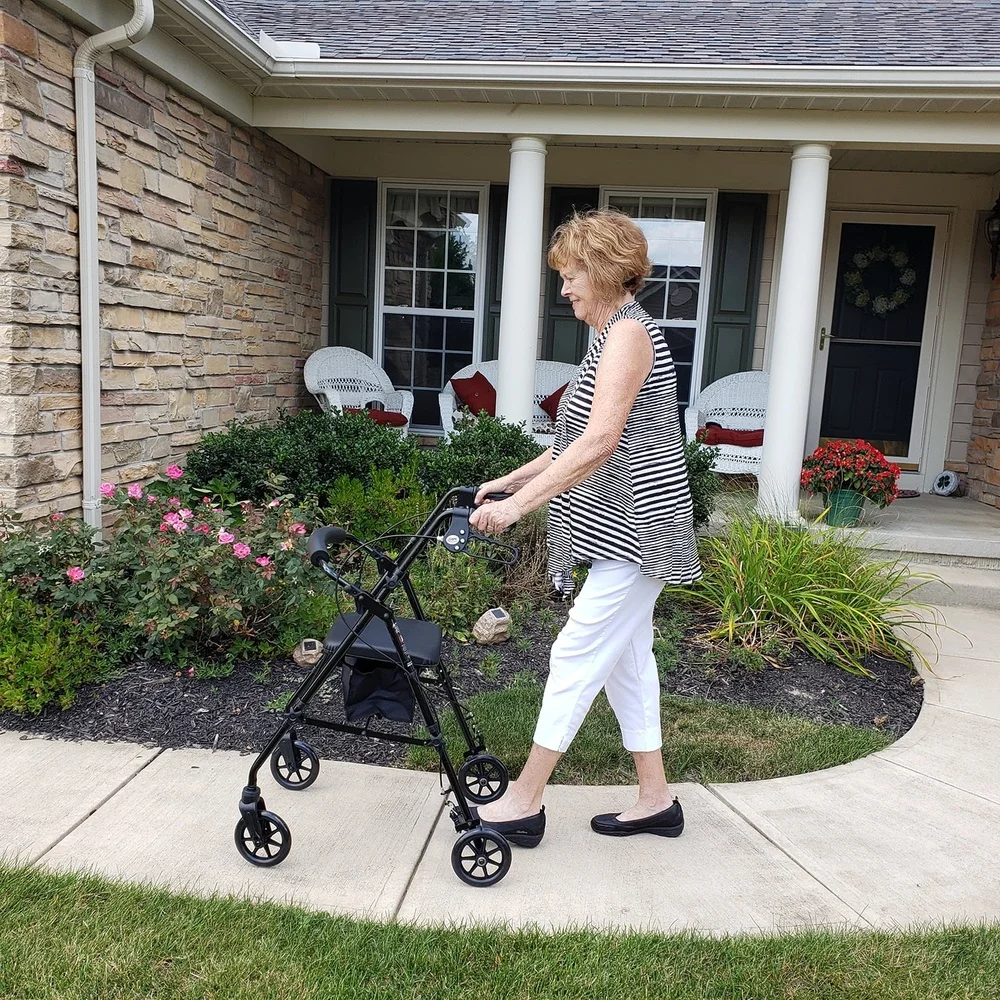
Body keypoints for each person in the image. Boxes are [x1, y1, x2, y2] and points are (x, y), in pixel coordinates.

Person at [468, 208, 702, 847]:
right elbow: (572, 437)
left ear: (603, 271)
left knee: (574, 653)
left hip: (643, 530)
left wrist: (519, 509)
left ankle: (524, 798)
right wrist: (512, 479)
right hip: (624, 530)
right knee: (628, 663)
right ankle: (656, 801)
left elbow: (601, 441)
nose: (564, 287)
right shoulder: (608, 336)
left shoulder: (630, 335)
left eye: (572, 274)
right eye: (563, 275)